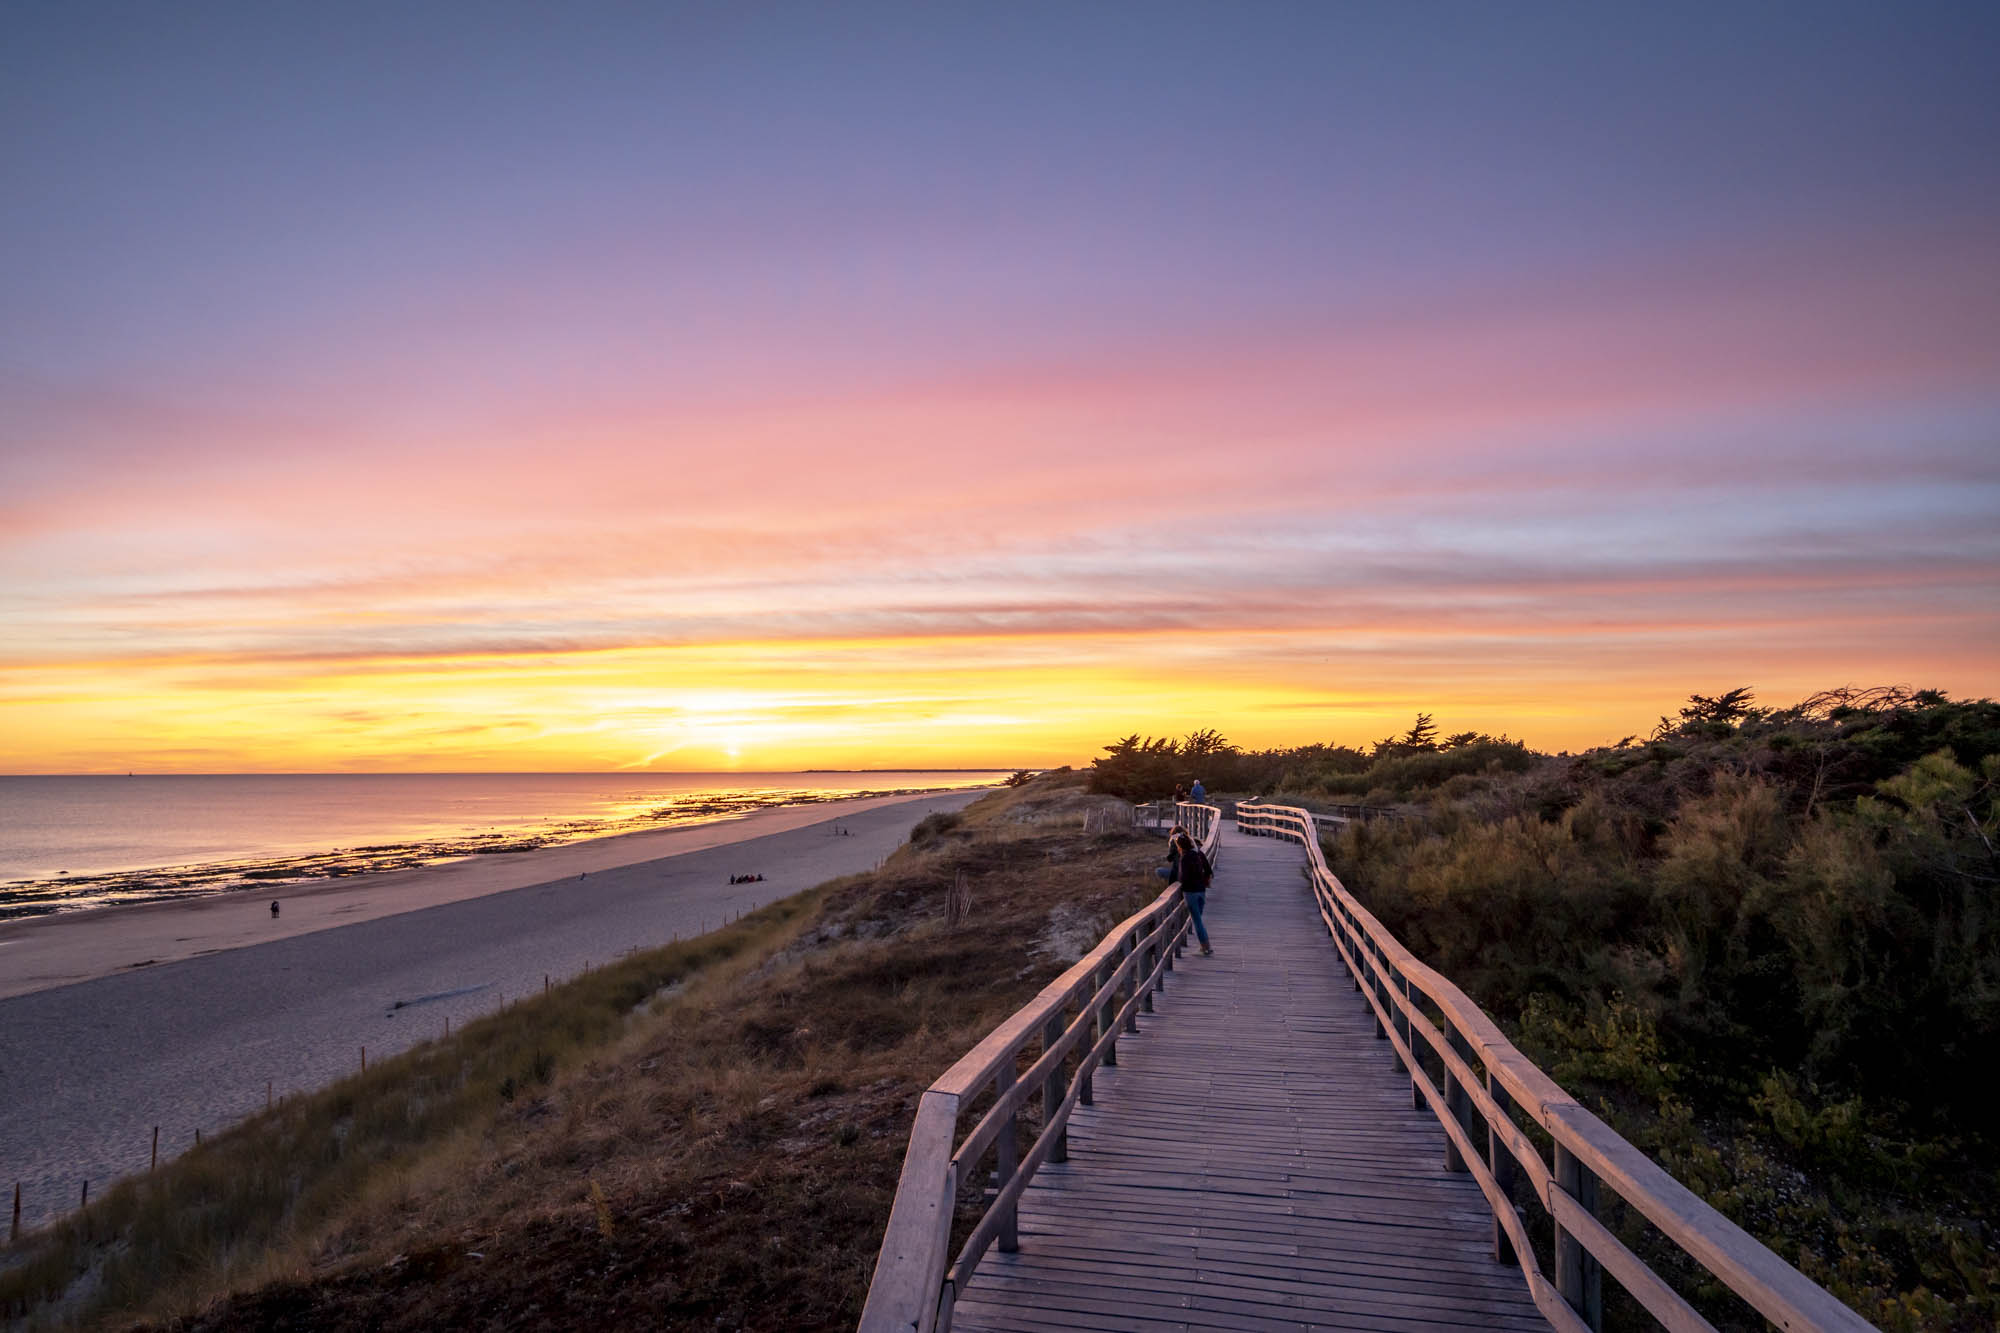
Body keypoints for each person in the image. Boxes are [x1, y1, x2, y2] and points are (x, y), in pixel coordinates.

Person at [1173, 829, 1213, 955]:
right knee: (1198, 919)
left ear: (1180, 846)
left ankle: (1206, 947)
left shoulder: (1185, 857)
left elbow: (1183, 877)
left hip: (1191, 892)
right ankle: (1204, 946)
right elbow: (1208, 870)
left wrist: (1179, 882)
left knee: (1197, 921)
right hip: (1201, 891)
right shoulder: (1198, 854)